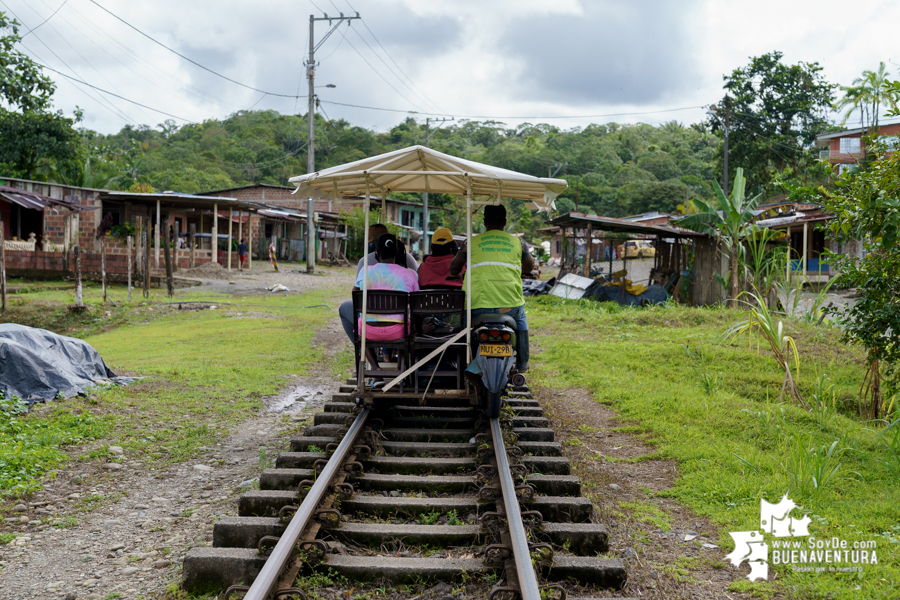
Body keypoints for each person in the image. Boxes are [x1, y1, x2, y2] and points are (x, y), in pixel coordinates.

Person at [449, 204, 534, 372]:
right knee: (521, 319)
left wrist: (459, 272)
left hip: (476, 305)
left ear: (484, 222)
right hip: (510, 306)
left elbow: (453, 268)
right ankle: (522, 363)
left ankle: (462, 365)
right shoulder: (519, 243)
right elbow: (530, 267)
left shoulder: (469, 243)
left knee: (463, 327)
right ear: (505, 222)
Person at [353, 233, 420, 376]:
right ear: (397, 251)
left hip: (368, 331)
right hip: (399, 332)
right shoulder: (410, 274)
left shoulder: (365, 271)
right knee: (407, 322)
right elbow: (416, 305)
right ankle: (400, 370)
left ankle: (376, 369)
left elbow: (355, 295)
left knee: (359, 326)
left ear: (376, 252)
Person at [339, 224, 417, 343]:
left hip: (369, 327)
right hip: (400, 327)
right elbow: (415, 297)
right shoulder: (409, 264)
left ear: (376, 247)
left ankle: (364, 352)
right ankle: (398, 358)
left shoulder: (365, 266)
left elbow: (357, 294)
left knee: (347, 310)